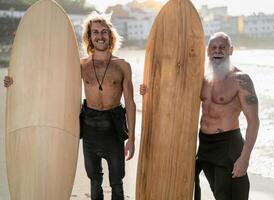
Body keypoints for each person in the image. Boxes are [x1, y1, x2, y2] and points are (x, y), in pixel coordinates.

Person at [4, 11, 136, 200]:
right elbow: (48, 77)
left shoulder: (123, 66)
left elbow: (130, 103)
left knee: (117, 181)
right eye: (95, 32)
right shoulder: (80, 65)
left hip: (114, 127)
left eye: (104, 32)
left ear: (110, 35)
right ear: (89, 37)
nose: (100, 36)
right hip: (89, 126)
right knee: (94, 180)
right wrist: (14, 81)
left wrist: (131, 138)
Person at [140, 32, 259, 200]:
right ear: (207, 50)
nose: (217, 51)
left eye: (222, 47)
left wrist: (245, 158)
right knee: (212, 191)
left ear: (231, 50)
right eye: (213, 47)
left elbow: (253, 121)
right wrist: (149, 90)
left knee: (229, 195)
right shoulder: (201, 78)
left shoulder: (241, 80)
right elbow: (173, 95)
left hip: (228, 145)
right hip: (204, 145)